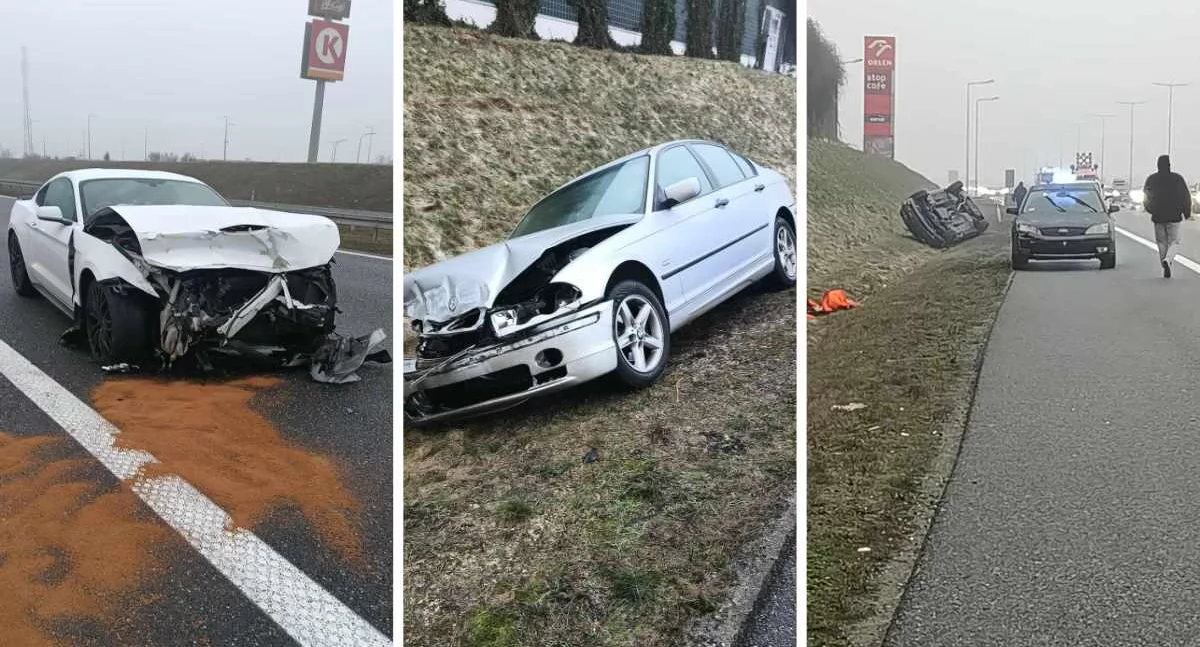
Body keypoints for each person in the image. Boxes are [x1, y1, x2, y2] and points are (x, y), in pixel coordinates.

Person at [1142, 154, 1193, 278]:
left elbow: (1146, 197)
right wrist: (1186, 213)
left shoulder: (1151, 179)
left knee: (1161, 242)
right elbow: (1186, 197)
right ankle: (1168, 260)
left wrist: (1151, 210)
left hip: (1158, 217)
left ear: (1157, 165)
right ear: (1169, 165)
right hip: (1174, 216)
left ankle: (1164, 262)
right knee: (1174, 241)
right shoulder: (1177, 179)